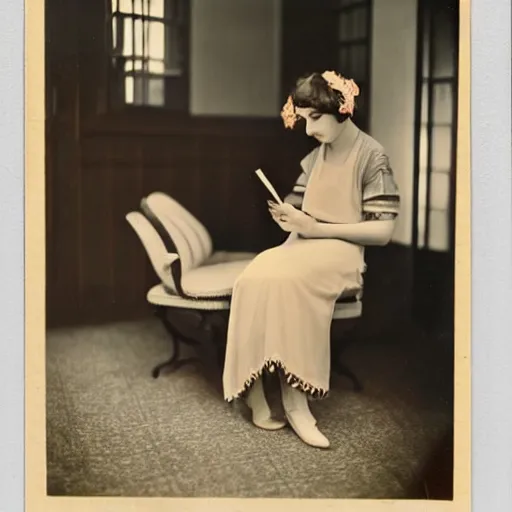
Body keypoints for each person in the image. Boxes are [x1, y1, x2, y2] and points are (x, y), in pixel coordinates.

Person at [222, 70, 400, 449]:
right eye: (303, 120)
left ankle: (295, 402)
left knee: (288, 281)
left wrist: (316, 228)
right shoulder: (316, 155)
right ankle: (250, 387)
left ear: (341, 108)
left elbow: (383, 232)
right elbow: (300, 203)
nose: (308, 130)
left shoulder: (372, 156)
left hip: (341, 253)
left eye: (314, 119)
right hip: (302, 244)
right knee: (254, 275)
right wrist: (288, 213)